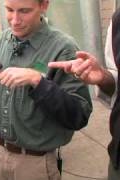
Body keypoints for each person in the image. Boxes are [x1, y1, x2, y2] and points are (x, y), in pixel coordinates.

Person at [0, 0, 92, 179]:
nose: (14, 20)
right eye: (9, 10)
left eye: (24, 11)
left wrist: (37, 81)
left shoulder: (63, 48)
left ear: (44, 5)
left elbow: (79, 115)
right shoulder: (4, 38)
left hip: (33, 163)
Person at [48, 8, 120, 180]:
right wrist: (104, 77)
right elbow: (116, 82)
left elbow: (78, 113)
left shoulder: (63, 44)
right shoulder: (117, 20)